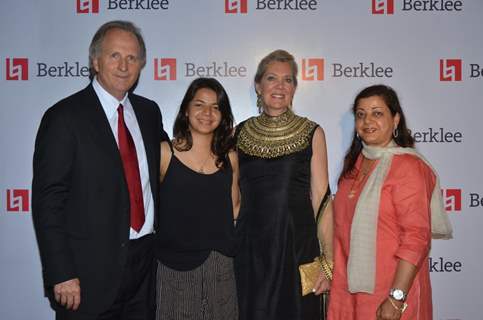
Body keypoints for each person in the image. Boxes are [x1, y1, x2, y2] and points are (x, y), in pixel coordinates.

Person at [32, 20, 167, 320]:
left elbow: (169, 166)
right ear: (95, 61)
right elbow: (48, 202)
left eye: (132, 58)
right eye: (114, 56)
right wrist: (61, 272)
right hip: (86, 275)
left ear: (141, 65)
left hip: (145, 268)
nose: (124, 65)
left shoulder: (149, 112)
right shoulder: (64, 118)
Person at [327, 84, 453, 320]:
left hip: (390, 294)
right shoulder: (353, 167)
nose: (367, 121)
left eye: (377, 113)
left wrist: (396, 297)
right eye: (361, 114)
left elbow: (416, 239)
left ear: (395, 120)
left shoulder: (409, 167)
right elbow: (340, 230)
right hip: (347, 292)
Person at [235, 49, 333, 320]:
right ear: (258, 85)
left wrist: (327, 264)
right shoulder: (238, 134)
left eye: (287, 80)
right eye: (271, 78)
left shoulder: (312, 132)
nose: (279, 86)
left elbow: (322, 199)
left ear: (294, 88)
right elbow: (232, 199)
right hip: (250, 252)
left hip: (298, 250)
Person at [154, 77, 240, 320]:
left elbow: (234, 209)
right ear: (186, 110)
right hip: (173, 270)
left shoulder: (230, 158)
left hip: (221, 269)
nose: (207, 113)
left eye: (215, 107)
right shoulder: (164, 153)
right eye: (199, 104)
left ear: (223, 114)